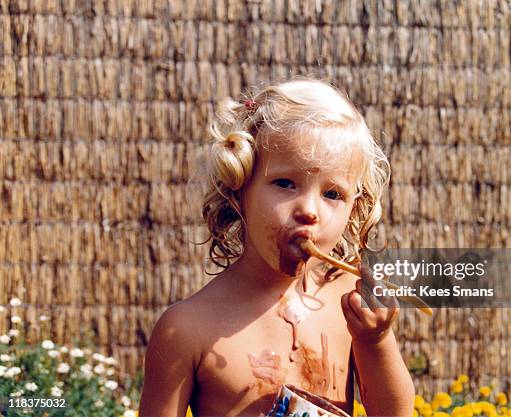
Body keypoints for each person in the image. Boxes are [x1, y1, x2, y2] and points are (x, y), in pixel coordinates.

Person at [138, 77, 415, 417]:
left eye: (332, 194)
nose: (309, 211)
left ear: (354, 208)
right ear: (239, 191)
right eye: (285, 184)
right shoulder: (185, 329)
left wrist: (376, 341)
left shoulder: (349, 306)